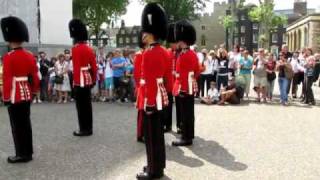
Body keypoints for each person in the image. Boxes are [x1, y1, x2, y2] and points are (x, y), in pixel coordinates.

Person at [136, 3, 170, 179]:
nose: (143, 35)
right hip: (159, 97)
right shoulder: (164, 52)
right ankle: (158, 165)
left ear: (150, 33)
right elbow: (166, 79)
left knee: (151, 136)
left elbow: (149, 81)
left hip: (151, 98)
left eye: (145, 32)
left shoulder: (149, 53)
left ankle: (153, 170)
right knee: (158, 135)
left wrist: (148, 103)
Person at [1, 16, 40, 163]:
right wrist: (34, 91)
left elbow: (8, 80)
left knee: (17, 127)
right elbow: (35, 77)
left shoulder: (8, 57)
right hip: (27, 94)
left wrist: (5, 98)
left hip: (14, 95)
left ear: (9, 39)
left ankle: (21, 154)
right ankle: (28, 152)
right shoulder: (30, 56)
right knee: (26, 124)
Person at [172, 20, 200, 147]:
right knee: (188, 112)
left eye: (179, 40)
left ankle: (186, 137)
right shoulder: (188, 53)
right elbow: (196, 71)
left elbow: (186, 74)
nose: (178, 42)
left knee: (186, 114)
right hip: (187, 85)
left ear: (183, 41)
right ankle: (189, 134)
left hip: (185, 87)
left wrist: (182, 88)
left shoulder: (187, 54)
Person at [69, 19, 97, 136]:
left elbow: (76, 68)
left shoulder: (75, 49)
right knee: (88, 105)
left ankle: (83, 129)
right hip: (88, 79)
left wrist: (74, 83)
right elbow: (94, 67)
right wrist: (94, 80)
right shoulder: (89, 48)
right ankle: (89, 128)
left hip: (79, 80)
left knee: (80, 107)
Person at [167, 23, 181, 134]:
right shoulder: (168, 52)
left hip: (178, 83)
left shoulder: (181, 54)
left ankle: (180, 125)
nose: (172, 45)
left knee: (180, 106)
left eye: (173, 43)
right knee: (168, 106)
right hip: (169, 83)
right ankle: (167, 125)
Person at [133, 32, 146, 143]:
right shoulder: (139, 54)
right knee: (142, 111)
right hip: (142, 86)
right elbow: (136, 73)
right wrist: (138, 87)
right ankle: (140, 134)